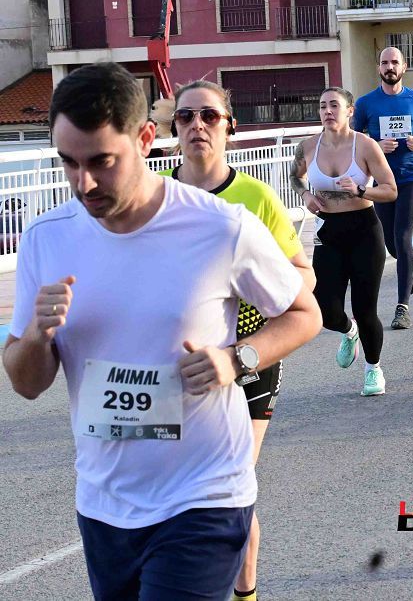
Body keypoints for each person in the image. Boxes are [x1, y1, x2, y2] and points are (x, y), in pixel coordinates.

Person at [4, 62, 321, 601]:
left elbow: (303, 313)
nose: (83, 183)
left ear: (147, 138)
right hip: (105, 503)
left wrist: (236, 359)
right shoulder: (46, 238)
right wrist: (35, 336)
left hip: (204, 494)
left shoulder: (220, 225)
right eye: (68, 163)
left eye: (101, 162)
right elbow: (27, 382)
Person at [164, 79, 316, 601]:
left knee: (230, 486)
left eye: (209, 116)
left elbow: (303, 278)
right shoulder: (158, 195)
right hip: (178, 364)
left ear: (231, 126)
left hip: (250, 353)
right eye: (186, 117)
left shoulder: (255, 197)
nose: (197, 126)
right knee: (175, 491)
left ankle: (245, 593)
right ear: (173, 130)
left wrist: (256, 289)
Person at [292, 87, 398, 396]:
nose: (327, 111)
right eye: (322, 105)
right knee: (325, 308)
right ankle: (348, 332)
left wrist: (362, 191)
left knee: (365, 308)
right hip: (328, 231)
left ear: (349, 111)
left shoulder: (365, 146)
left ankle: (372, 369)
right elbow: (294, 176)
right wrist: (306, 194)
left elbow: (390, 190)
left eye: (334, 105)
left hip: (364, 230)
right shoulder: (308, 146)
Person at [352, 47, 413, 329]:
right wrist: (375, 146)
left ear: (404, 67)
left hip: (411, 177)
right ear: (378, 68)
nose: (389, 67)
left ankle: (402, 307)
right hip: (382, 180)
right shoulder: (367, 103)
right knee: (390, 243)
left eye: (394, 62)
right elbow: (354, 138)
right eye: (384, 63)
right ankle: (412, 261)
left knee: (403, 236)